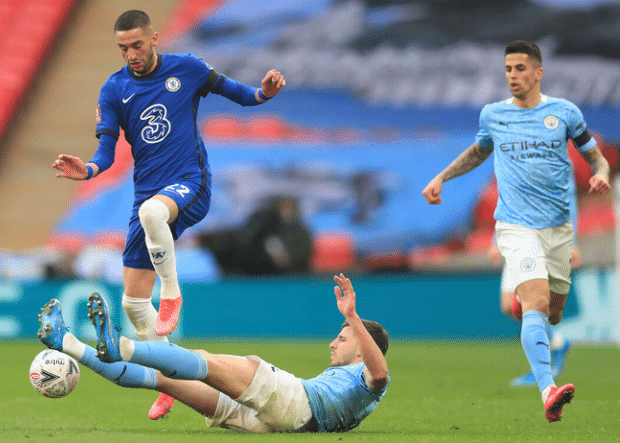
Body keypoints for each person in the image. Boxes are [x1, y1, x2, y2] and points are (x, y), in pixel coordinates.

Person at [52, 10, 286, 418]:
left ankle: (172, 294)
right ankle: (168, 382)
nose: (131, 54)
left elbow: (240, 94)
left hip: (190, 183)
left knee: (151, 214)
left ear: (154, 38)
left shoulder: (188, 69)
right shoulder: (114, 89)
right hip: (148, 195)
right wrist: (87, 170)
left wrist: (264, 93)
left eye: (137, 45)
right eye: (123, 48)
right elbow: (106, 151)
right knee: (132, 303)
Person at [422, 40, 611, 423]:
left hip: (558, 229)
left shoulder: (564, 113)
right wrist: (441, 177)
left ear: (538, 73)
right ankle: (547, 390)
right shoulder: (494, 115)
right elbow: (477, 152)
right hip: (515, 226)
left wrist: (601, 174)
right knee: (534, 304)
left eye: (520, 68)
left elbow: (595, 156)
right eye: (508, 69)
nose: (513, 75)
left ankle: (548, 333)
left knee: (552, 312)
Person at [37, 273, 390, 433]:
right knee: (163, 380)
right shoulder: (352, 388)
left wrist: (352, 318)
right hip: (281, 424)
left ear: (364, 349)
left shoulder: (371, 380)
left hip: (295, 404)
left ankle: (123, 346)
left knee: (206, 361)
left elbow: (380, 374)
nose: (333, 343)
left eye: (342, 339)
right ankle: (67, 343)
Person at [488, 166, 580, 387]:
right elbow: (508, 198)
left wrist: (572, 241)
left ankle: (543, 371)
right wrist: (496, 238)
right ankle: (556, 342)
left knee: (531, 303)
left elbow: (568, 199)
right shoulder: (513, 156)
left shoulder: (554, 157)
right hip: (515, 234)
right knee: (509, 305)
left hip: (545, 237)